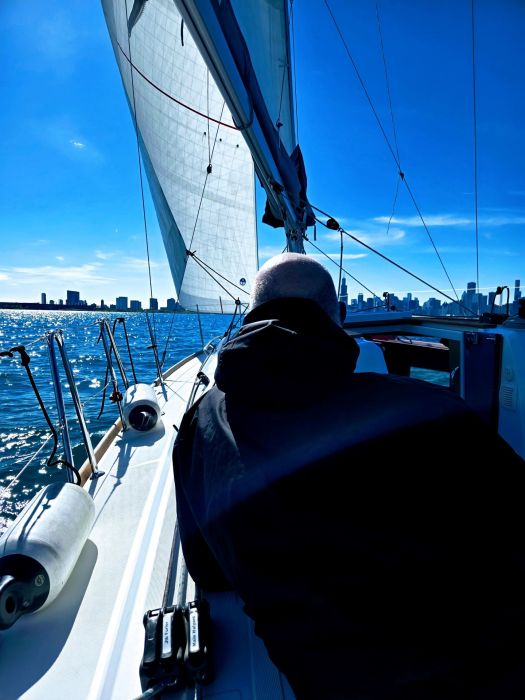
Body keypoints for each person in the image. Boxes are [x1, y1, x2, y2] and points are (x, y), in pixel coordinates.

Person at [173, 253, 525, 699]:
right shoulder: (432, 415)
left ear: (250, 316)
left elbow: (209, 571)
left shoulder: (196, 430)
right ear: (336, 318)